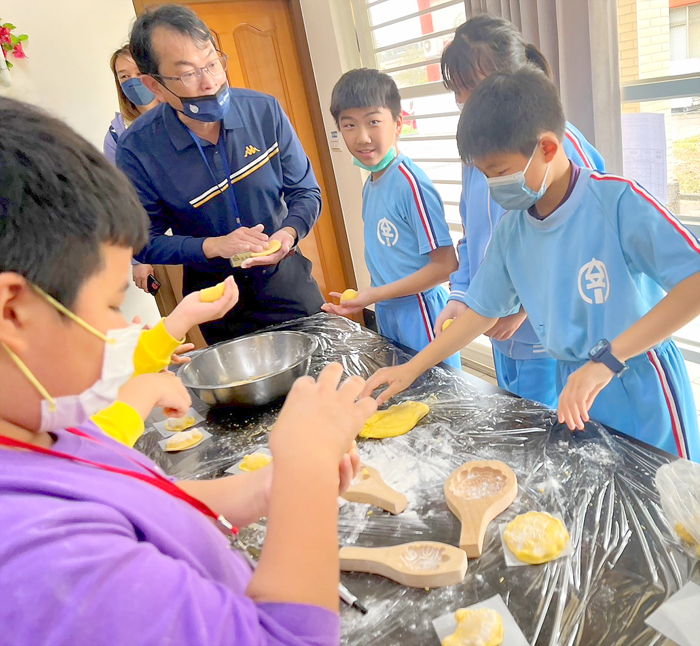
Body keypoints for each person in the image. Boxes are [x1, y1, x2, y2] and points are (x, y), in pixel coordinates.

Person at [0, 95, 377, 644]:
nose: (121, 329)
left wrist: (265, 488)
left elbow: (133, 500)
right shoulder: (38, 564)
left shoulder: (37, 420)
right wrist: (307, 476)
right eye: (109, 304)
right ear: (14, 310)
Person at [362, 68, 700, 462]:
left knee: (666, 507)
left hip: (641, 382)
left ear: (548, 149)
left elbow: (693, 281)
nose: (493, 186)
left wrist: (607, 360)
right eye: (485, 174)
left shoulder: (617, 202)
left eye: (500, 171)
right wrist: (412, 369)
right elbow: (481, 312)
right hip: (573, 383)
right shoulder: (513, 230)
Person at [117, 5, 324, 345]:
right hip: (218, 304)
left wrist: (287, 234)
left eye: (212, 64)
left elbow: (306, 192)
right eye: (187, 74)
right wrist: (212, 246)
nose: (210, 82)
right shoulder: (138, 150)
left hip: (287, 284)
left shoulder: (263, 111)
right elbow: (142, 242)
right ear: (153, 85)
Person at [435, 15, 606, 407]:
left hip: (550, 337)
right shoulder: (480, 152)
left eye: (474, 91)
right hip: (499, 332)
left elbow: (587, 248)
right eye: (461, 97)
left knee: (550, 438)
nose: (468, 107)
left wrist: (525, 307)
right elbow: (475, 234)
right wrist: (462, 293)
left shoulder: (560, 149)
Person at [322, 68, 461, 368]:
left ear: (398, 123)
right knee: (404, 395)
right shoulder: (371, 184)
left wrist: (373, 294)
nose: (362, 137)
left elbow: (446, 265)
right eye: (349, 125)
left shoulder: (411, 184)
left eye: (373, 122)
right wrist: (366, 298)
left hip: (420, 310)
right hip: (387, 311)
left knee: (438, 399)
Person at [105, 45, 161, 292]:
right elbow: (122, 202)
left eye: (137, 72)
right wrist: (138, 259)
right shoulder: (118, 136)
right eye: (124, 77)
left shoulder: (185, 115)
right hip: (159, 246)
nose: (132, 82)